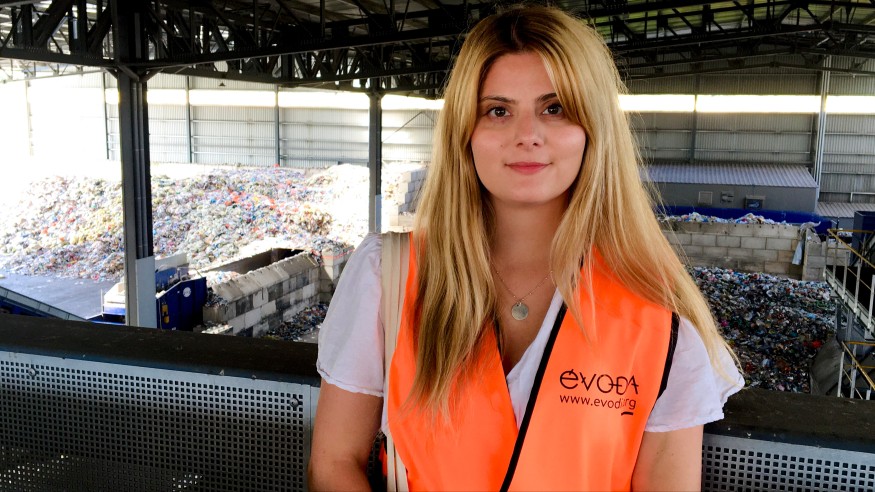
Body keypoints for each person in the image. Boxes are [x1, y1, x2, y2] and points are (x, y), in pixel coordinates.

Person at [309, 4, 743, 491]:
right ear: (465, 133)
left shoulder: (662, 318)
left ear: (593, 129)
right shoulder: (387, 275)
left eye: (554, 108)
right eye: (498, 111)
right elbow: (334, 463)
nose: (527, 136)